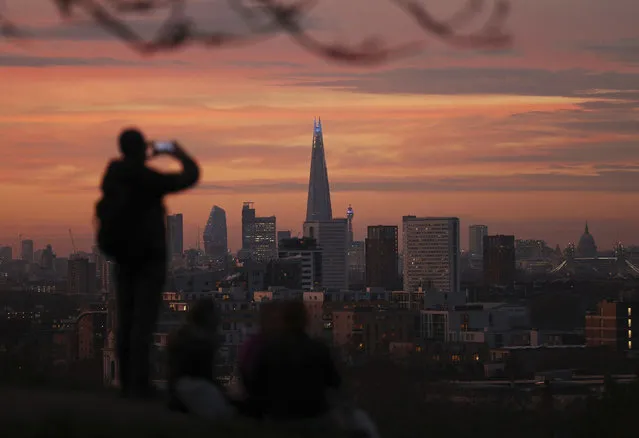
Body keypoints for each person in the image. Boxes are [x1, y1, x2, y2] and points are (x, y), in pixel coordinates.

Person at [95, 128, 199, 399]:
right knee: (143, 322)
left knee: (126, 321)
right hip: (147, 258)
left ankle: (126, 384)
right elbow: (189, 177)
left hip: (122, 257)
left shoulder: (113, 176)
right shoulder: (145, 178)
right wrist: (177, 152)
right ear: (142, 148)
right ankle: (139, 386)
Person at [249, 300, 342, 421]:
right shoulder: (318, 349)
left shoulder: (268, 351)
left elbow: (255, 385)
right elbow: (335, 382)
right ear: (305, 321)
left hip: (279, 419)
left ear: (283, 321)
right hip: (313, 419)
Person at [166, 299, 235, 420]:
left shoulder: (183, 335)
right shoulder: (202, 344)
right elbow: (206, 375)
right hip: (194, 389)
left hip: (178, 390)